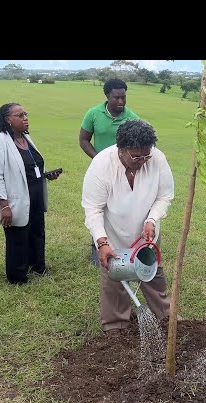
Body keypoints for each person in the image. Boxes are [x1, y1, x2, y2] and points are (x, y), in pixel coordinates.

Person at [81, 119, 174, 336]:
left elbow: (164, 196)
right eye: (136, 156)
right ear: (121, 149)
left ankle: (165, 316)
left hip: (147, 234)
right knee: (113, 278)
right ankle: (115, 325)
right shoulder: (102, 164)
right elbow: (93, 209)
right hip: (112, 233)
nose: (142, 161)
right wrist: (102, 242)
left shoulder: (157, 159)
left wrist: (152, 219)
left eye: (146, 156)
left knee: (153, 274)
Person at [0, 103, 61, 285]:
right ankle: (17, 275)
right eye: (20, 115)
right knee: (17, 237)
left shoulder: (26, 139)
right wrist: (4, 206)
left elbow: (28, 168)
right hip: (15, 199)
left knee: (37, 232)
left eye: (25, 114)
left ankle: (37, 265)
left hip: (34, 196)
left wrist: (46, 175)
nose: (25, 118)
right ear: (7, 120)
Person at [79, 78, 140, 266]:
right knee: (98, 209)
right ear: (107, 96)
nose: (120, 101)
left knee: (121, 209)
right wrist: (99, 159)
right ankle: (97, 250)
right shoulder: (93, 114)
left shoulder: (132, 118)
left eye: (123, 97)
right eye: (116, 98)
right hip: (100, 172)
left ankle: (126, 249)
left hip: (125, 173)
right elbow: (83, 140)